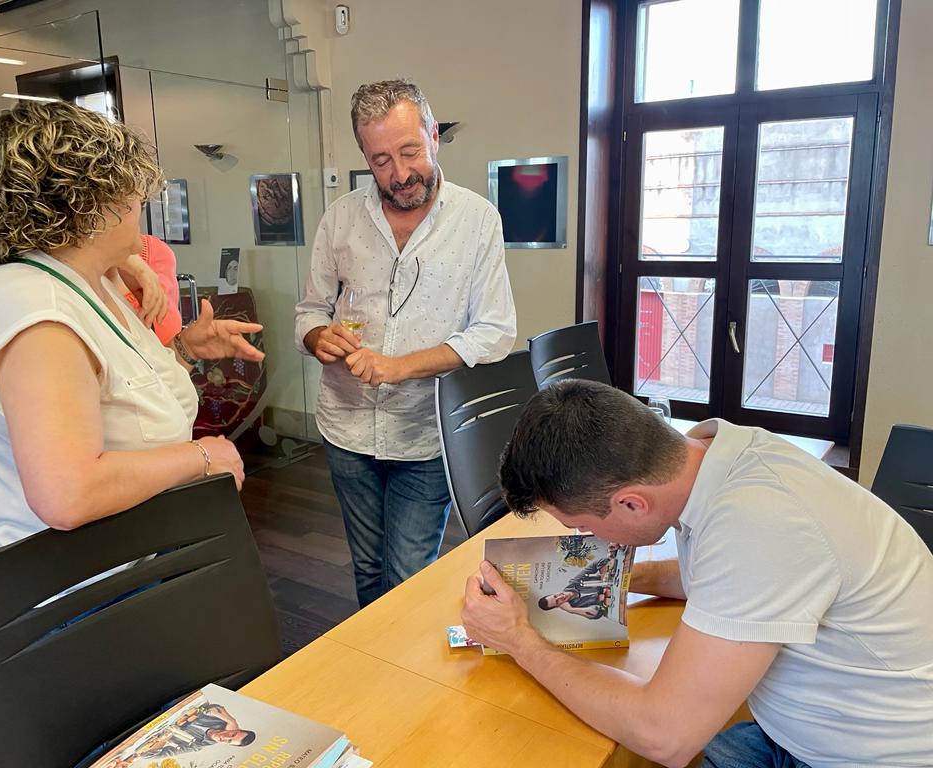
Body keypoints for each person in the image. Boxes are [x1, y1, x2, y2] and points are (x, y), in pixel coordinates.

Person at [461, 380, 933, 768]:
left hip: (865, 755)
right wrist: (619, 578)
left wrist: (520, 641)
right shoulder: (719, 455)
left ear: (631, 503)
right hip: (799, 728)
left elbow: (665, 735)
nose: (586, 537)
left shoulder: (758, 524)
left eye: (581, 526)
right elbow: (724, 581)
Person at [0, 101, 265, 554]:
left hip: (130, 558)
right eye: (132, 197)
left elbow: (118, 393)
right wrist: (200, 456)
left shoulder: (89, 284)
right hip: (78, 583)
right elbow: (67, 493)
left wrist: (185, 349)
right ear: (89, 206)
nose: (141, 209)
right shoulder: (37, 312)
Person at [294, 79, 516, 606]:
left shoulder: (476, 220)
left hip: (425, 434)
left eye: (410, 151)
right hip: (346, 428)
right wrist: (318, 336)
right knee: (368, 568)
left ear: (433, 135)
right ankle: (373, 656)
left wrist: (400, 367)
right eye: (381, 161)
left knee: (407, 576)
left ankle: (401, 654)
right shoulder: (340, 218)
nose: (399, 174)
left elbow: (494, 332)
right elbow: (310, 311)